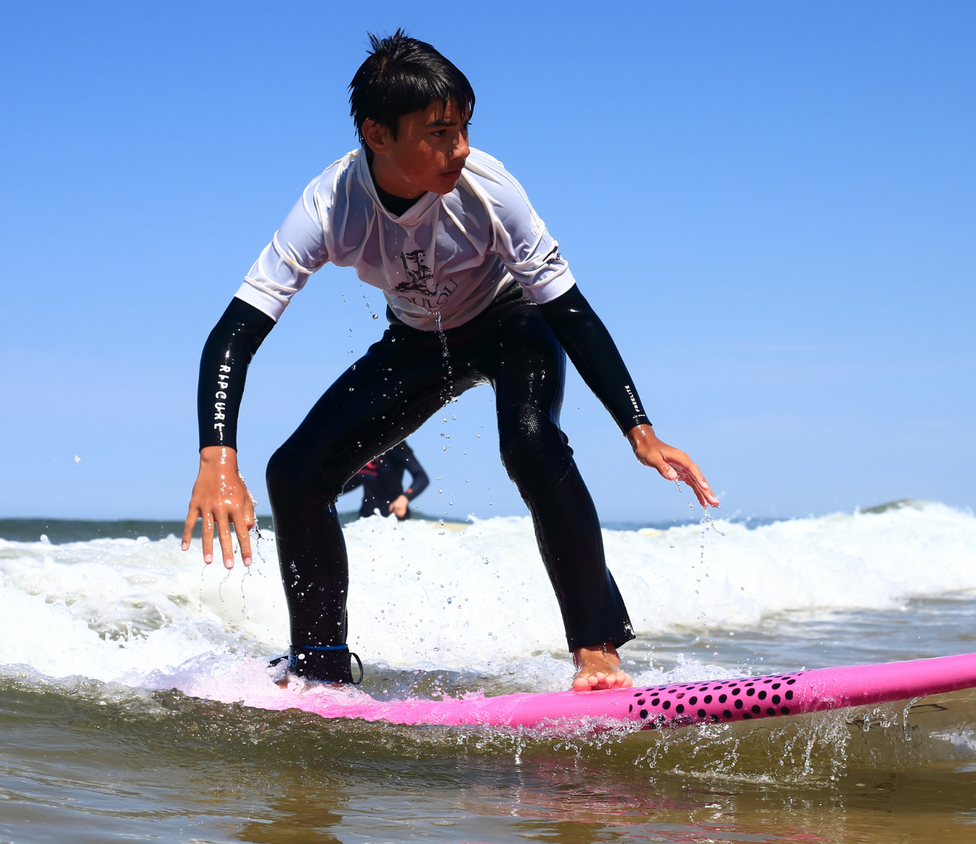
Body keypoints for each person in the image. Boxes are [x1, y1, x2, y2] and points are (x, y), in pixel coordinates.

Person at [182, 30, 718, 692]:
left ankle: (597, 651)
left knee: (528, 439)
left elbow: (570, 311)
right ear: (378, 135)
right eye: (439, 132)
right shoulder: (332, 204)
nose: (459, 147)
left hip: (514, 321)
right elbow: (238, 326)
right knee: (295, 473)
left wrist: (639, 428)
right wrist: (217, 456)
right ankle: (321, 669)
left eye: (463, 127)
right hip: (421, 339)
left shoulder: (489, 189)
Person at [342, 441, 429, 520]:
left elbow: (421, 477)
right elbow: (352, 482)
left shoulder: (396, 445)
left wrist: (404, 498)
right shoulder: (358, 450)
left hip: (394, 518)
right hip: (365, 520)